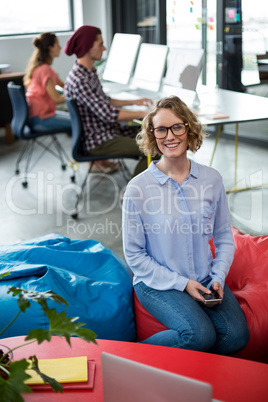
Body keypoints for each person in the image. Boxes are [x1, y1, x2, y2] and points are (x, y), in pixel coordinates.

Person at [122, 96, 249, 355]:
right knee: (199, 335)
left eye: (177, 127)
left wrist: (218, 277)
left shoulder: (211, 179)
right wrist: (182, 284)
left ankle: (192, 375)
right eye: (161, 129)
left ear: (188, 128)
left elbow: (224, 236)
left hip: (204, 277)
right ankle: (129, 356)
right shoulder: (138, 189)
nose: (170, 136)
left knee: (237, 336)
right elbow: (134, 256)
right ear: (152, 134)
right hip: (156, 281)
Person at [64, 25, 155, 176]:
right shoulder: (81, 80)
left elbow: (105, 101)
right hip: (99, 141)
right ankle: (133, 193)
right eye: (100, 44)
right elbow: (109, 114)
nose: (104, 48)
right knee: (155, 146)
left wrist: (134, 102)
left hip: (106, 132)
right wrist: (145, 113)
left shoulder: (87, 73)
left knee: (156, 135)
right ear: (87, 47)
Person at [24, 32, 71, 133]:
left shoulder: (42, 68)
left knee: (75, 118)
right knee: (78, 122)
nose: (60, 48)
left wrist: (73, 90)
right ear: (50, 48)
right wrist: (78, 96)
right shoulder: (45, 69)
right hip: (40, 120)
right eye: (57, 45)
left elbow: (63, 85)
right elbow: (57, 99)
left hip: (36, 117)